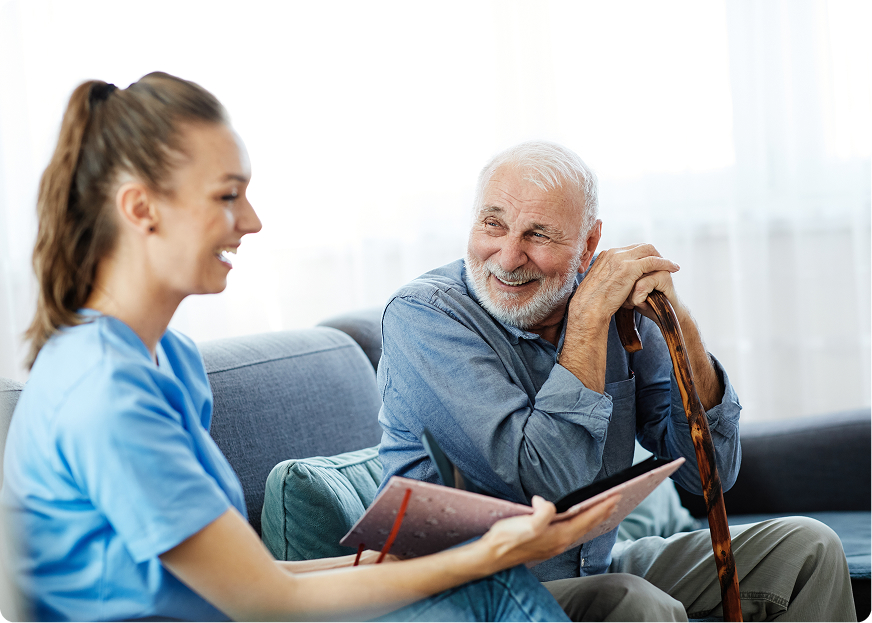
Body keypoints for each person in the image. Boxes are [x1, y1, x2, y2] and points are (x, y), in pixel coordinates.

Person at [0, 75, 620, 622]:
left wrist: (371, 571)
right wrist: (494, 550)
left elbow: (249, 583)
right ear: (141, 209)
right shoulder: (106, 392)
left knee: (491, 584)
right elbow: (266, 604)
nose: (252, 220)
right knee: (492, 590)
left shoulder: (170, 362)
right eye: (226, 195)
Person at [376, 140, 857, 621]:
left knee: (806, 549)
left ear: (587, 244)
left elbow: (709, 472)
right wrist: (586, 321)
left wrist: (679, 321)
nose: (507, 256)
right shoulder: (425, 318)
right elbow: (546, 485)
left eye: (538, 234)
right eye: (493, 223)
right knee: (633, 601)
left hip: (593, 568)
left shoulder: (613, 309)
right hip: (475, 596)